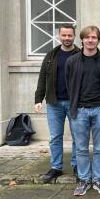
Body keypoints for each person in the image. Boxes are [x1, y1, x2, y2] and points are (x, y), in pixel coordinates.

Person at [66, 25, 100, 196]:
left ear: (98, 40)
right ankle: (84, 180)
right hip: (79, 111)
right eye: (87, 37)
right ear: (82, 39)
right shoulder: (72, 61)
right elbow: (69, 84)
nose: (90, 40)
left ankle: (99, 180)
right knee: (81, 148)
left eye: (94, 37)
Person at [34, 24, 80, 183]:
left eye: (70, 35)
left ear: (74, 36)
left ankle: (77, 165)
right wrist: (38, 99)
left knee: (77, 136)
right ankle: (56, 167)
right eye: (64, 35)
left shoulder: (80, 54)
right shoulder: (51, 55)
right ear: (59, 36)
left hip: (75, 103)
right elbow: (42, 78)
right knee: (55, 137)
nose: (67, 38)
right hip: (54, 103)